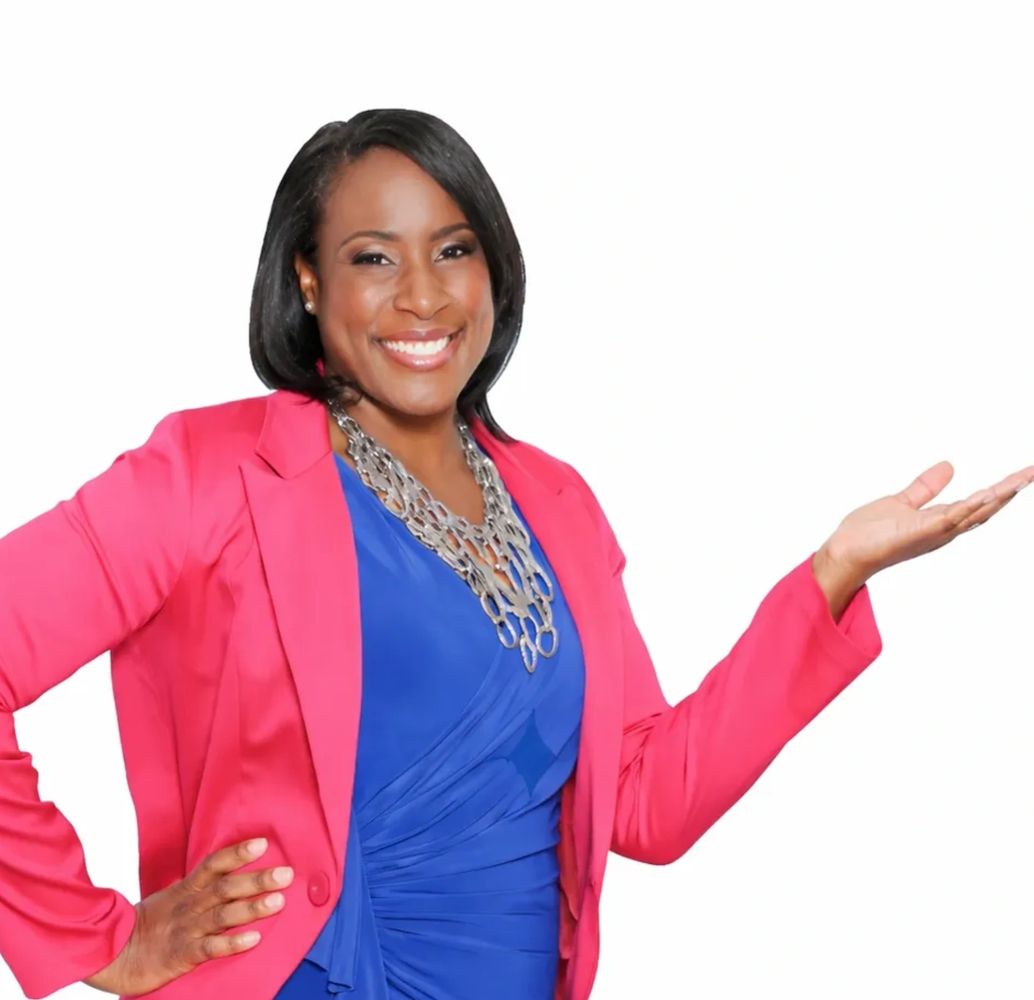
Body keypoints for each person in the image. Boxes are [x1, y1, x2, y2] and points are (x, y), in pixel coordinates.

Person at [0, 109, 1030, 1000]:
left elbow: (642, 798)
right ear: (307, 279)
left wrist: (831, 574)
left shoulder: (555, 503)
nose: (422, 296)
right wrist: (106, 938)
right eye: (372, 256)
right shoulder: (208, 473)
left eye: (452, 250)